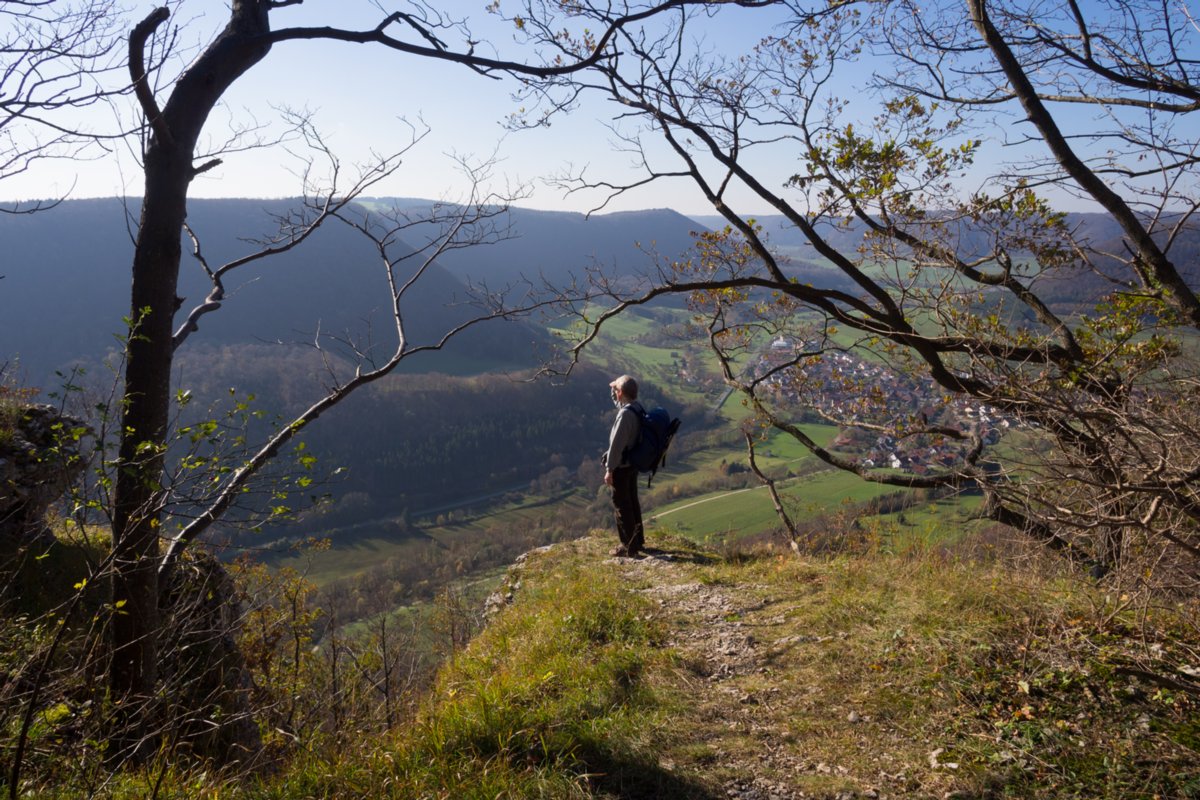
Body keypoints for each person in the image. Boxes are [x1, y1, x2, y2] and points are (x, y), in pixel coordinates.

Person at [602, 374, 645, 557]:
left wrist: (609, 470)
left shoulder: (625, 416)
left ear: (621, 393)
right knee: (632, 502)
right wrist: (614, 388)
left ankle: (629, 546)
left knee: (621, 505)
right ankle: (638, 540)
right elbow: (620, 404)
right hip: (632, 464)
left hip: (621, 467)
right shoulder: (636, 408)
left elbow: (616, 446)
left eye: (617, 390)